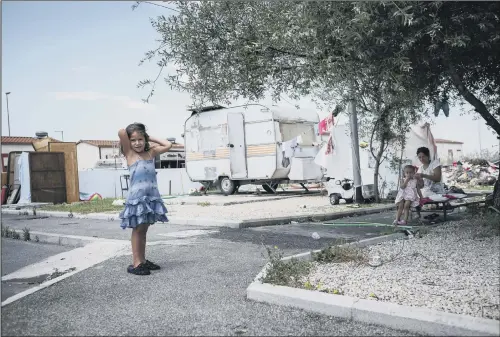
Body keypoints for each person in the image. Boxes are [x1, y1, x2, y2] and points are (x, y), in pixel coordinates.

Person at [118, 123, 172, 276]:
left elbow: (168, 145)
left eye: (140, 139)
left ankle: (142, 260)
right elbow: (121, 131)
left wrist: (149, 136)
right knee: (138, 230)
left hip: (151, 198)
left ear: (145, 139)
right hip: (138, 199)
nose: (137, 143)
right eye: (133, 140)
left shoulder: (150, 153)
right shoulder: (130, 154)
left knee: (144, 230)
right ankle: (136, 263)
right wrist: (129, 139)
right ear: (129, 142)